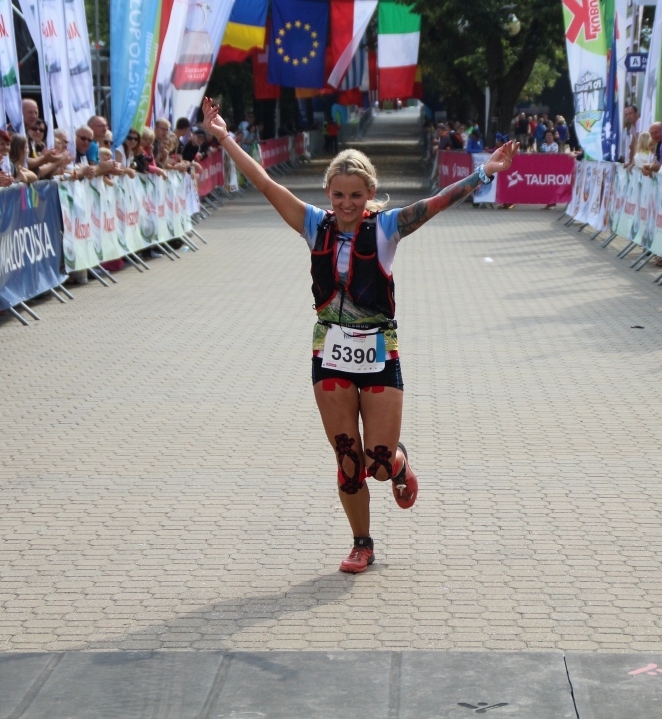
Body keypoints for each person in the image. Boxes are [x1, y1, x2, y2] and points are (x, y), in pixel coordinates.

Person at [200, 96, 518, 574]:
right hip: (329, 352)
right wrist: (224, 137)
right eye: (338, 196)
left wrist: (484, 173)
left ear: (370, 193)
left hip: (379, 352)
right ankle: (361, 543)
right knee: (349, 458)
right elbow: (265, 183)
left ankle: (399, 464)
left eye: (355, 195)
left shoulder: (387, 228)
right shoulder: (314, 225)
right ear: (328, 194)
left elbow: (434, 205)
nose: (346, 205)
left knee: (378, 462)